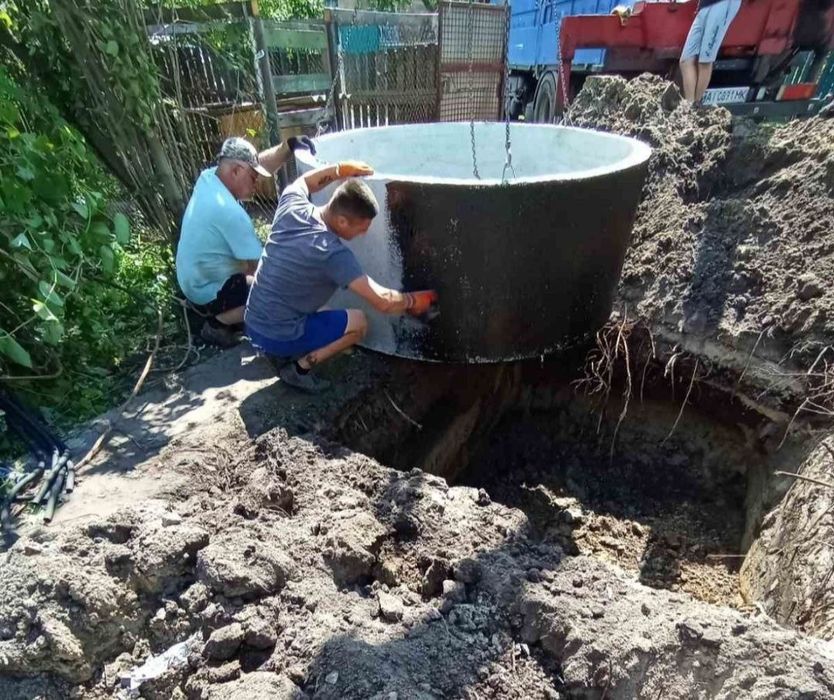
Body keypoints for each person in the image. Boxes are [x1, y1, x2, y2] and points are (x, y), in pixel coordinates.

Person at [245, 160, 438, 393]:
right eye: (362, 227)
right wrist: (416, 300)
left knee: (323, 309)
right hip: (275, 335)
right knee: (358, 323)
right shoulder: (332, 253)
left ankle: (282, 347)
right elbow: (383, 301)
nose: (364, 233)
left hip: (252, 320)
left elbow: (303, 182)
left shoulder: (292, 205)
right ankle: (298, 368)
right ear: (342, 220)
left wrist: (338, 169)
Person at [176, 135, 315, 347]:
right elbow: (263, 269)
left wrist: (288, 147)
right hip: (207, 292)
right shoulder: (229, 212)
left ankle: (231, 314)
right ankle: (217, 323)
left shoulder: (209, 178)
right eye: (253, 177)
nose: (257, 183)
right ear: (235, 171)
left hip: (192, 281)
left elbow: (258, 162)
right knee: (278, 292)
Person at [679, 0, 742, 103]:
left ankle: (696, 106)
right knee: (685, 61)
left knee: (705, 60)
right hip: (705, 5)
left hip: (722, 3)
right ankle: (690, 106)